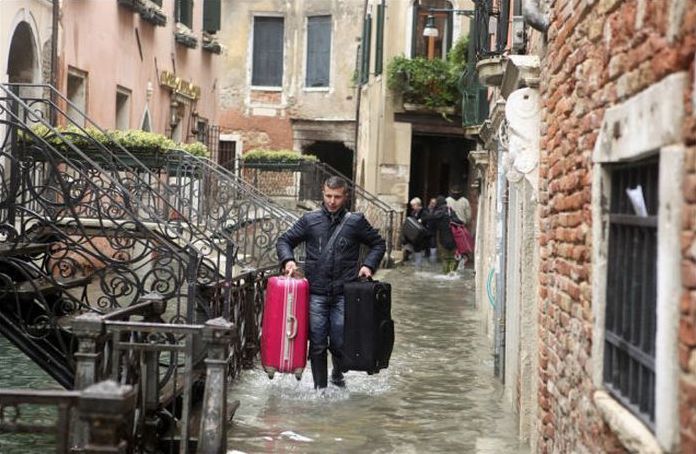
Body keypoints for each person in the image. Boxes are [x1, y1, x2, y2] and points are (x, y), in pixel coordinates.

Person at [276, 176, 386, 390]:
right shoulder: (310, 220)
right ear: (322, 193)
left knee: (339, 341)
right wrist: (288, 260)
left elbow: (378, 244)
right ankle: (320, 389)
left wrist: (368, 266)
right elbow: (284, 240)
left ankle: (337, 375)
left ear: (345, 196)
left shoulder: (355, 221)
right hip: (316, 292)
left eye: (337, 197)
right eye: (328, 196)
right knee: (317, 344)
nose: (332, 201)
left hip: (344, 293)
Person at [423, 196, 464, 274]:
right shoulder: (450, 210)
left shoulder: (439, 211)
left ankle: (446, 273)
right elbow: (459, 221)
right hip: (453, 237)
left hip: (443, 237)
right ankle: (452, 272)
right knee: (453, 257)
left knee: (445, 257)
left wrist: (422, 219)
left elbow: (431, 217)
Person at [402, 197, 428, 268]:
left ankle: (418, 266)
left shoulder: (424, 212)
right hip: (413, 236)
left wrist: (421, 220)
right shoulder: (413, 213)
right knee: (411, 249)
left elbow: (426, 220)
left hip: (421, 236)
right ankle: (415, 264)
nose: (412, 207)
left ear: (418, 205)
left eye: (413, 205)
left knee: (419, 250)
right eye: (412, 205)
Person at [424, 197, 439, 263]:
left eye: (434, 203)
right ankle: (426, 256)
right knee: (425, 243)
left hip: (433, 229)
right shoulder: (425, 209)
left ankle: (432, 258)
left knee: (433, 243)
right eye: (432, 203)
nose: (433, 204)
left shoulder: (436, 211)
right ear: (430, 202)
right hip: (425, 229)